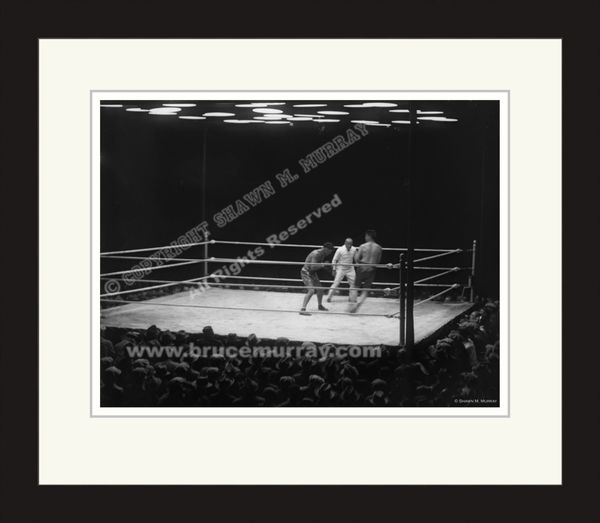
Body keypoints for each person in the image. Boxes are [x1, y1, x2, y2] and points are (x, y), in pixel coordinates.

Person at [350, 230, 382, 313]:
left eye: (365, 236)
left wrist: (357, 258)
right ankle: (358, 305)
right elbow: (378, 261)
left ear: (368, 236)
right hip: (372, 268)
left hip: (362, 267)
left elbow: (357, 259)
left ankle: (353, 305)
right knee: (365, 290)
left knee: (355, 287)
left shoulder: (363, 246)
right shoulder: (379, 247)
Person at [299, 242, 334, 315]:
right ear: (325, 249)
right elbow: (313, 266)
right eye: (329, 252)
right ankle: (302, 309)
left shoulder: (322, 254)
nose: (329, 254)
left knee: (320, 289)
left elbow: (318, 266)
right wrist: (324, 264)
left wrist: (328, 268)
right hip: (306, 272)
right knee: (311, 291)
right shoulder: (316, 254)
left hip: (312, 273)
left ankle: (320, 306)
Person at [326, 238, 358, 303]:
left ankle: (352, 298)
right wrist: (334, 269)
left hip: (350, 268)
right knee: (336, 283)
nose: (350, 245)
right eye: (348, 243)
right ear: (345, 243)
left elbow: (356, 259)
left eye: (351, 244)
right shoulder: (340, 249)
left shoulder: (354, 249)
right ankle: (329, 297)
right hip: (341, 268)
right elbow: (334, 260)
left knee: (354, 283)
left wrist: (358, 264)